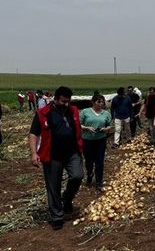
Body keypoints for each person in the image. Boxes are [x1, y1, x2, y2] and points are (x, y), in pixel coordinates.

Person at [29, 86, 84, 231]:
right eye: (63, 101)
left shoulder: (73, 111)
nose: (66, 104)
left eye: (68, 101)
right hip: (52, 154)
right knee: (53, 186)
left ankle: (66, 199)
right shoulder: (43, 113)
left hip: (72, 152)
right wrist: (34, 153)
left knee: (78, 176)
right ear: (55, 98)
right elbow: (34, 134)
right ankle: (57, 216)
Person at [80, 93, 113, 193]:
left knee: (99, 161)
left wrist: (105, 129)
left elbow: (110, 126)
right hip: (87, 140)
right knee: (89, 161)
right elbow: (79, 124)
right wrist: (87, 128)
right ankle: (90, 174)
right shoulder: (85, 112)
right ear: (93, 102)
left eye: (102, 102)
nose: (101, 104)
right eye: (99, 102)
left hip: (100, 140)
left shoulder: (106, 113)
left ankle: (99, 182)